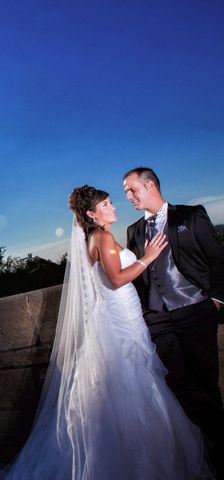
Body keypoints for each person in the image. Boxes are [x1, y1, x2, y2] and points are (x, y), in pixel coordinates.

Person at [0, 185, 212, 480]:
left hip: (122, 314)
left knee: (133, 381)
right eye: (106, 204)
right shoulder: (103, 236)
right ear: (91, 214)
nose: (113, 207)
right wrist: (146, 258)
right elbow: (118, 278)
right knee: (131, 382)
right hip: (119, 318)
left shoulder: (96, 237)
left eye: (110, 202)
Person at [123, 167, 224, 474]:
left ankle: (215, 452)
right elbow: (138, 275)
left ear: (150, 184)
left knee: (206, 382)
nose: (127, 196)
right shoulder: (134, 232)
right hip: (157, 319)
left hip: (195, 309)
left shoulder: (191, 216)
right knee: (175, 382)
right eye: (126, 192)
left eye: (131, 189)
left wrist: (217, 301)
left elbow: (218, 260)